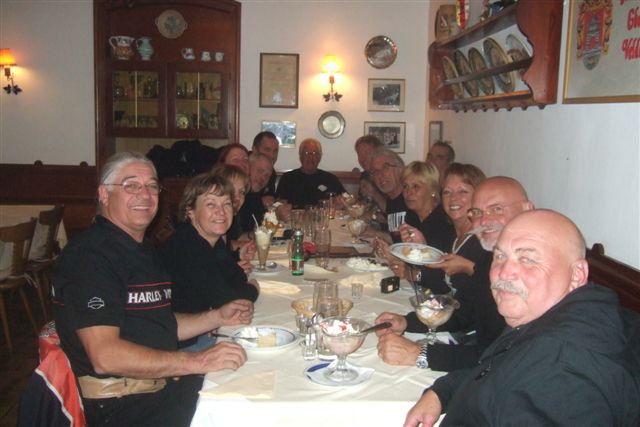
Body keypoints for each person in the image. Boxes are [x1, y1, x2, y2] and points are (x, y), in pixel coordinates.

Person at [52, 152, 253, 426]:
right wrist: (197, 361)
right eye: (131, 185)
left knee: (253, 386)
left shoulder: (142, 249)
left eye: (151, 186)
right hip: (122, 406)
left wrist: (217, 316)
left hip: (159, 387)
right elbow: (105, 356)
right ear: (104, 194)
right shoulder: (91, 256)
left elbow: (158, 324)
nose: (145, 195)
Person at [404, 209, 640, 427]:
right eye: (500, 256)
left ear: (577, 275)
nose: (504, 272)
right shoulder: (549, 315)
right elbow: (500, 364)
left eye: (527, 259)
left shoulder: (563, 373)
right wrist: (443, 392)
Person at [376, 176, 532, 372]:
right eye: (477, 212)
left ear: (527, 209)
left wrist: (420, 354)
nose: (484, 220)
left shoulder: (534, 273)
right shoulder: (489, 259)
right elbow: (462, 312)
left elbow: (503, 356)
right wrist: (406, 321)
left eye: (497, 209)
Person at [159, 173, 260, 352]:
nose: (221, 212)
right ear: (190, 211)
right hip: (179, 346)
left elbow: (236, 278)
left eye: (226, 204)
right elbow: (230, 300)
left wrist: (243, 288)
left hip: (201, 333)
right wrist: (254, 288)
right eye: (211, 204)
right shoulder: (187, 245)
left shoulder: (212, 240)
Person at [275, 138, 345, 209]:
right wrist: (281, 207)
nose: (310, 157)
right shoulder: (287, 178)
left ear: (319, 157)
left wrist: (340, 202)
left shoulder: (330, 179)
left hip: (323, 216)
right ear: (300, 156)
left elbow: (346, 199)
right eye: (306, 153)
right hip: (295, 216)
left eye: (314, 153)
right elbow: (278, 203)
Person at [367, 147, 418, 243]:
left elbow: (410, 241)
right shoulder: (391, 199)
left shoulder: (411, 199)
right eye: (375, 172)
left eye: (385, 168)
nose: (380, 175)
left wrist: (375, 233)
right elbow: (395, 235)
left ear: (401, 169)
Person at [238, 152, 273, 233]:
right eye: (260, 171)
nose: (263, 178)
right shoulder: (236, 196)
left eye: (267, 176)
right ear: (247, 168)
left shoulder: (257, 198)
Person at [354, 134, 386, 211]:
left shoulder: (388, 176)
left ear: (378, 152)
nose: (363, 158)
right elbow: (365, 205)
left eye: (367, 152)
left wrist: (374, 194)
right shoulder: (365, 175)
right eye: (360, 154)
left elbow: (392, 211)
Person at [251, 131, 279, 206]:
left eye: (275, 151)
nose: (272, 156)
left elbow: (269, 198)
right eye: (267, 150)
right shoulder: (242, 168)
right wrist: (259, 201)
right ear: (255, 150)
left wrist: (278, 203)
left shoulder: (272, 173)